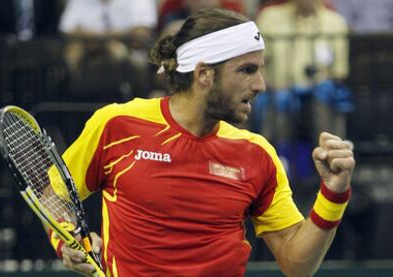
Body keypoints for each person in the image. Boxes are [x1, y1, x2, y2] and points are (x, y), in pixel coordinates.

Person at [50, 8, 355, 276]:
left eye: (261, 69)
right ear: (204, 74)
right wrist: (65, 239)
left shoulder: (257, 154)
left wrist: (333, 192)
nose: (261, 85)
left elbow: (296, 264)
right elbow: (54, 196)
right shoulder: (116, 125)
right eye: (247, 70)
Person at [254, 0, 351, 179]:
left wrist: (320, 84)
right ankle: (276, 172)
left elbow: (339, 71)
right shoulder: (269, 18)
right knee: (278, 105)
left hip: (318, 93)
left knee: (323, 105)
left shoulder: (335, 22)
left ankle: (329, 172)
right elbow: (257, 62)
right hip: (277, 91)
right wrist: (271, 85)